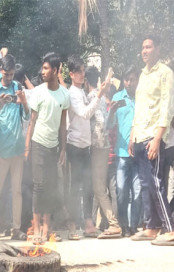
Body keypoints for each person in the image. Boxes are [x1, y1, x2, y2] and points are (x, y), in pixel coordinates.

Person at [128, 36, 174, 246]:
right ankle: (151, 227)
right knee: (145, 183)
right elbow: (139, 107)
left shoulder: (165, 73)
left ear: (158, 49)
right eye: (143, 47)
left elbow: (166, 107)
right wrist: (132, 135)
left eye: (148, 47)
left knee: (157, 183)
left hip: (153, 137)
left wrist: (158, 138)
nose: (144, 50)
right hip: (140, 135)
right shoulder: (143, 74)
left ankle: (170, 230)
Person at [0, 55, 29, 243]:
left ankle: (16, 229)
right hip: (0, 147)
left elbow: (26, 116)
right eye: (7, 74)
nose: (9, 78)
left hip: (17, 147)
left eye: (12, 75)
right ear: (0, 71)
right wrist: (0, 105)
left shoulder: (18, 87)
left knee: (17, 191)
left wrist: (24, 101)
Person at [26, 52, 70, 244]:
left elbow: (63, 123)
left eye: (46, 68)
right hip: (38, 143)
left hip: (54, 146)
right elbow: (32, 121)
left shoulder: (64, 95)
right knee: (39, 185)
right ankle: (36, 227)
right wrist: (27, 147)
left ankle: (47, 227)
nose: (42, 72)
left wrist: (63, 149)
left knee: (51, 187)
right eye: (42, 68)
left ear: (55, 70)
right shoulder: (38, 92)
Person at [65, 55, 109, 239]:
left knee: (88, 184)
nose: (83, 74)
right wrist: (99, 95)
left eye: (83, 71)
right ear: (71, 74)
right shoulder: (72, 93)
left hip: (86, 145)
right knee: (75, 186)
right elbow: (84, 114)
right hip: (74, 145)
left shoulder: (81, 92)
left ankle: (89, 223)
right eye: (79, 72)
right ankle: (73, 225)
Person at [85, 66, 122, 239]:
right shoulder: (101, 97)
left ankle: (113, 224)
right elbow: (106, 123)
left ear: (86, 81)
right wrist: (108, 76)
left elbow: (91, 119)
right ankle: (107, 223)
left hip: (97, 147)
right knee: (98, 187)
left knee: (99, 188)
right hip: (104, 146)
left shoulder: (92, 97)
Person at [109, 66, 141, 236]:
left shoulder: (142, 98)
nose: (129, 82)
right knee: (121, 190)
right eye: (127, 79)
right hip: (122, 152)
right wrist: (112, 112)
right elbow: (109, 126)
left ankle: (134, 225)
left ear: (137, 80)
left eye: (133, 79)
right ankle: (123, 225)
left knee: (137, 190)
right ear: (123, 81)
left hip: (139, 151)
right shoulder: (117, 97)